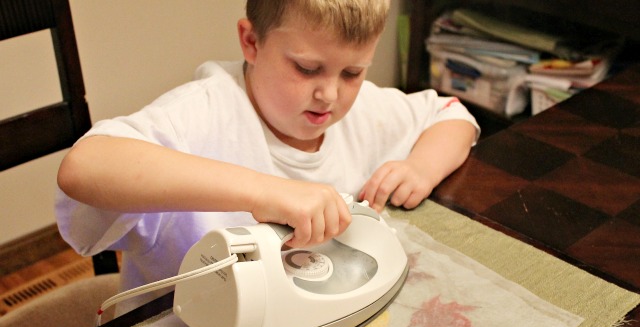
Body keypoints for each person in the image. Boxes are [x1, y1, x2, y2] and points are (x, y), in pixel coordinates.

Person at [56, 0, 479, 311]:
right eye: (307, 69)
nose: (330, 94)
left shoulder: (362, 108)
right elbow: (85, 165)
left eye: (352, 72)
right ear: (251, 41)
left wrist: (420, 167)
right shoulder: (204, 113)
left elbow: (451, 115)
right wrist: (265, 191)